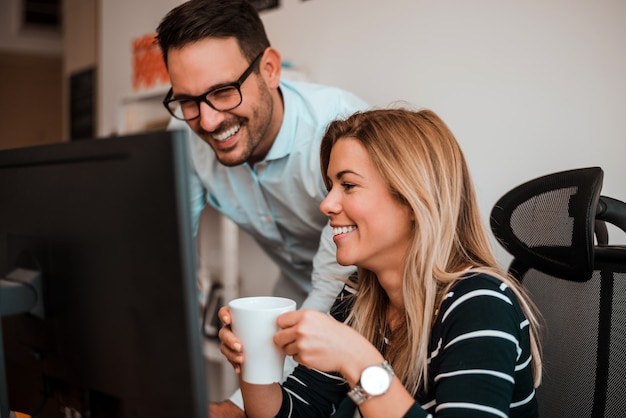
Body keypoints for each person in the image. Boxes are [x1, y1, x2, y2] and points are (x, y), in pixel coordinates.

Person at [218, 108, 543, 417]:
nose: (327, 204)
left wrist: (355, 358)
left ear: (413, 200)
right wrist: (253, 359)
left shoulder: (479, 303)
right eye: (330, 186)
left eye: (348, 185)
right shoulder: (358, 299)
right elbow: (296, 412)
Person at [154, 0, 368, 416]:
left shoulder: (338, 130)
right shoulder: (184, 133)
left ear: (270, 68)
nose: (209, 121)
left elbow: (331, 288)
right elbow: (168, 255)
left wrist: (237, 408)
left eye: (222, 92)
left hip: (365, 297)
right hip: (293, 288)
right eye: (189, 101)